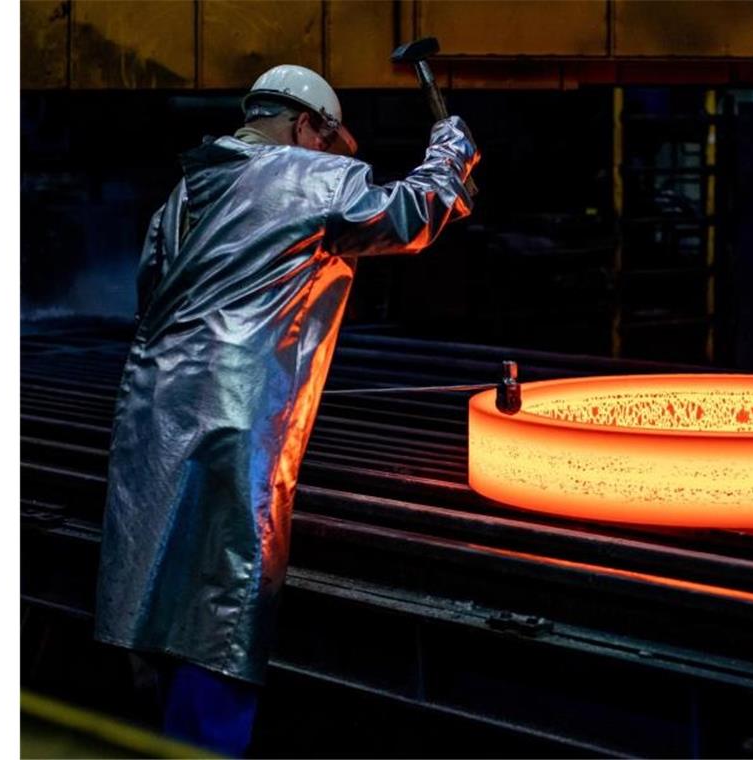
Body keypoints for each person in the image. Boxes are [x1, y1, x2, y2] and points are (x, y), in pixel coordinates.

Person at [93, 64, 479, 756]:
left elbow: (149, 290)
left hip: (152, 415)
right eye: (330, 146)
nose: (334, 162)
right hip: (234, 424)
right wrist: (452, 147)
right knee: (223, 601)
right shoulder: (305, 175)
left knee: (156, 591)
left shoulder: (185, 193)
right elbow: (413, 213)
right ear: (307, 126)